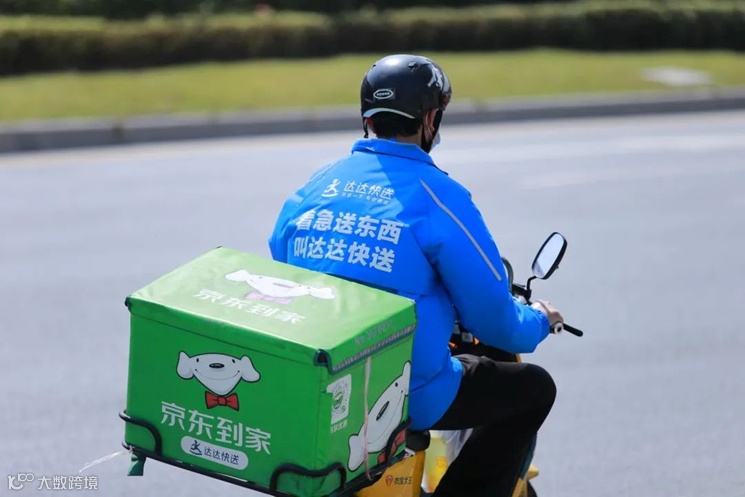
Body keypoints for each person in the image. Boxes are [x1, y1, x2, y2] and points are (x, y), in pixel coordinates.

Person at [268, 54, 564, 497]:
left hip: (319, 379)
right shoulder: (439, 195)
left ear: (368, 118)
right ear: (429, 119)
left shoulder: (318, 183)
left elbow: (280, 261)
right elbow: (495, 321)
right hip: (402, 392)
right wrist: (539, 318)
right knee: (534, 390)